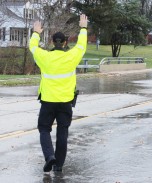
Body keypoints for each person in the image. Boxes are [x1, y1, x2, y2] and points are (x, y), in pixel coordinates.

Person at [29, 14, 88, 172]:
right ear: (65, 43)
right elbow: (82, 46)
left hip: (48, 102)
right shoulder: (71, 57)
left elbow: (33, 47)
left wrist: (36, 32)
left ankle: (49, 157)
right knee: (63, 132)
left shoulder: (45, 57)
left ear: (51, 42)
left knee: (44, 129)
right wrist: (83, 27)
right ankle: (59, 166)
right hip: (65, 102)